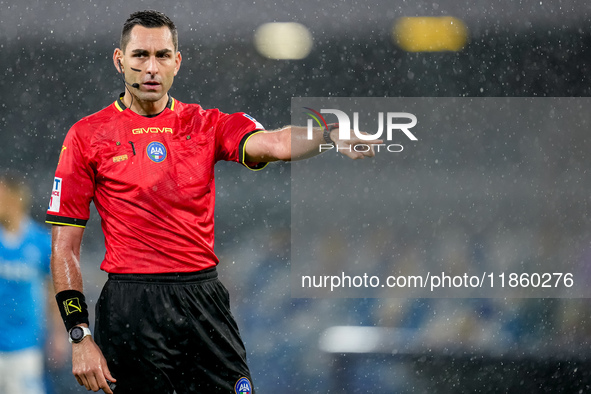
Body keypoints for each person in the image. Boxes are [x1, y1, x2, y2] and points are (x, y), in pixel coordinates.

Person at [46, 10, 377, 394]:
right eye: (139, 56)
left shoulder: (207, 124)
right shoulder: (87, 136)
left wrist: (328, 134)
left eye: (162, 56)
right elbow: (64, 249)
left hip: (203, 300)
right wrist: (79, 337)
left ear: (177, 62)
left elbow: (273, 142)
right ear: (120, 61)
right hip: (131, 306)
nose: (151, 67)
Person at [0, 171, 66, 394]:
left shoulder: (40, 241)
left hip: (25, 345)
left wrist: (57, 334)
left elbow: (53, 291)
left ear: (14, 197)